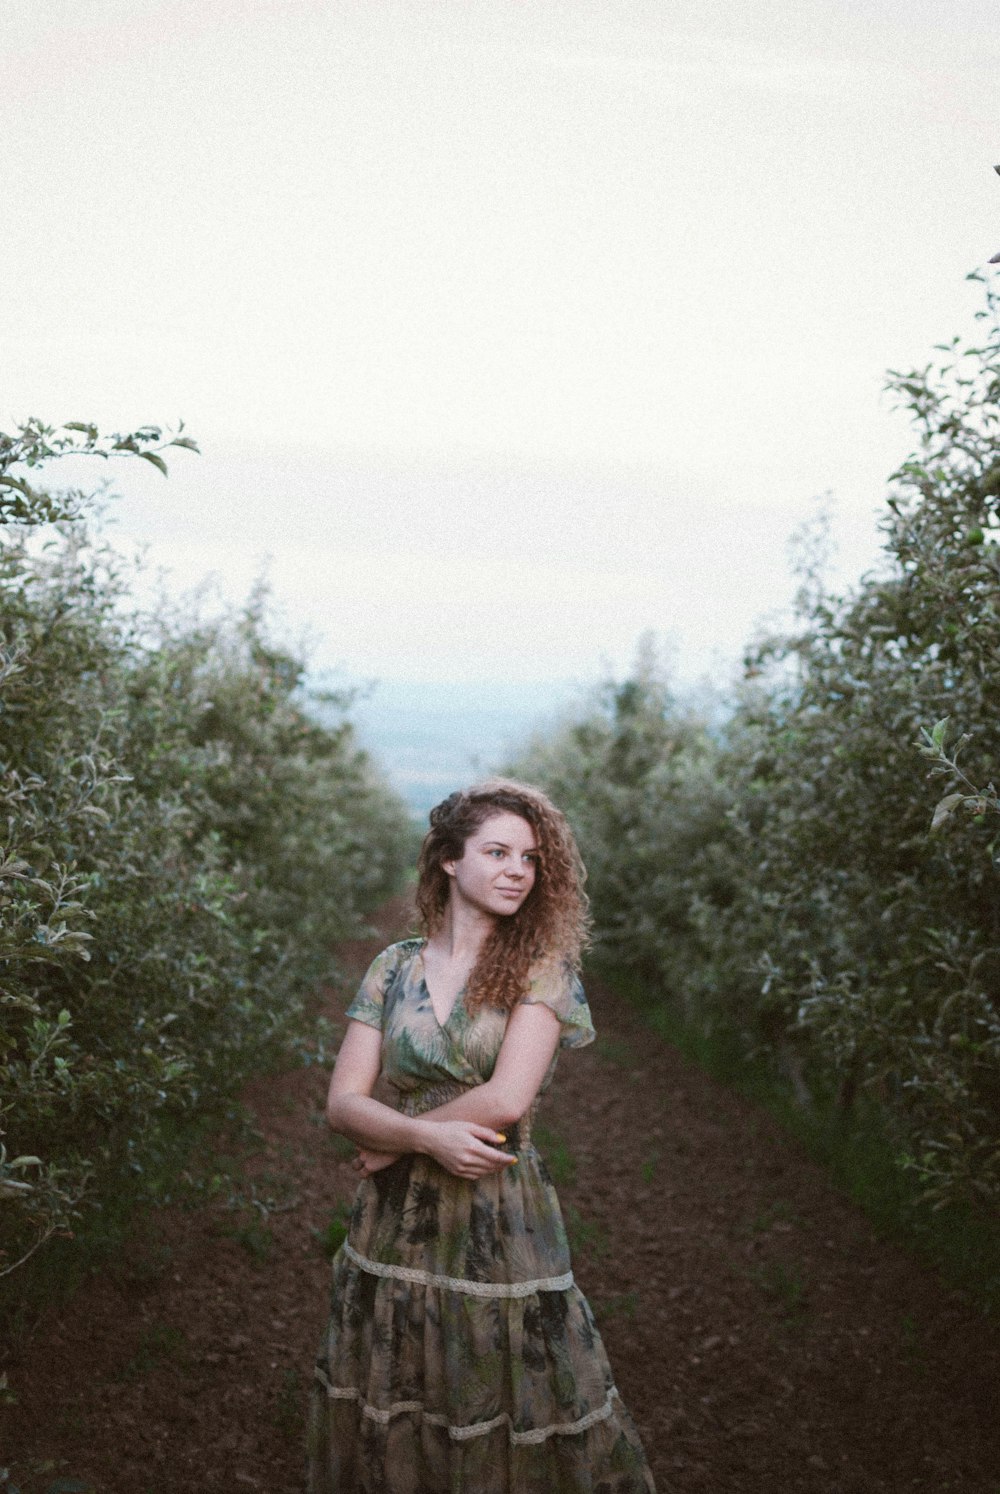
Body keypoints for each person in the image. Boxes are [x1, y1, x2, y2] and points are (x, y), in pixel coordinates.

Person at [308, 778, 655, 1493]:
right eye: (497, 852)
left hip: (497, 1208)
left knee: (503, 1373)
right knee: (398, 1374)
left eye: (529, 859)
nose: (516, 872)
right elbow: (342, 1102)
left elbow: (503, 1099)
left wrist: (397, 1136)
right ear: (447, 860)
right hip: (394, 1219)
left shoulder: (541, 967)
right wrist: (422, 1140)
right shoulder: (393, 968)